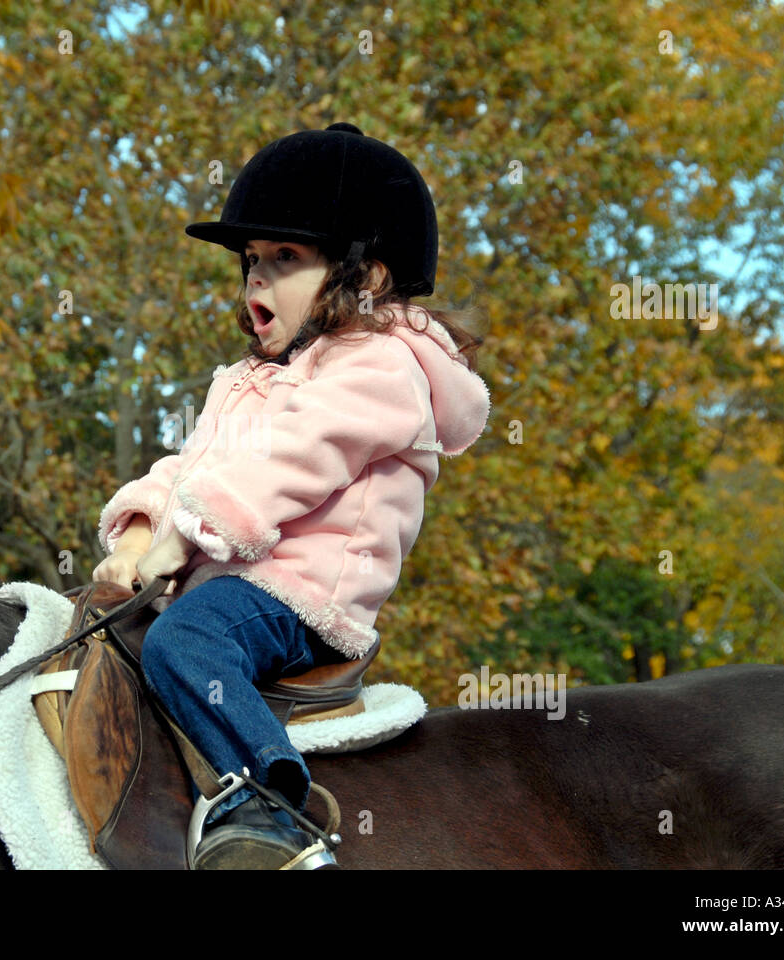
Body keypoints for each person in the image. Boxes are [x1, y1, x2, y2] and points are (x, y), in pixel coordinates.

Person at [92, 123, 491, 869]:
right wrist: (143, 535)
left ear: (364, 279)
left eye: (284, 260)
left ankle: (273, 805)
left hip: (303, 592)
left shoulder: (379, 367)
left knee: (184, 642)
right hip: (233, 577)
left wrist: (184, 535)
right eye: (250, 263)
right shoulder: (247, 382)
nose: (255, 283)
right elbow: (193, 466)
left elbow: (289, 460)